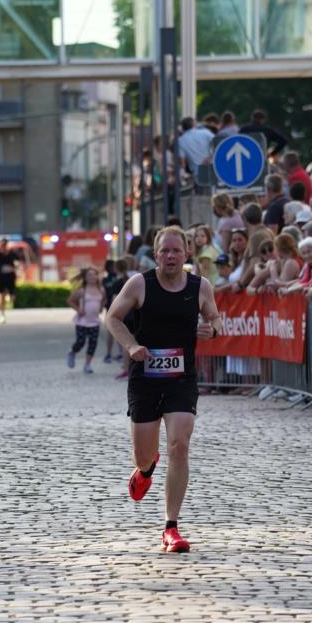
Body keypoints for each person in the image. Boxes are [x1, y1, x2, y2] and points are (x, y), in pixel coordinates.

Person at [105, 226, 222, 554]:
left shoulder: (200, 286)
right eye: (164, 251)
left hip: (181, 379)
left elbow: (216, 318)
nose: (170, 256)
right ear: (156, 255)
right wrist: (131, 346)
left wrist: (211, 329)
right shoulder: (140, 284)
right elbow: (113, 318)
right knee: (144, 455)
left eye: (176, 250)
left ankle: (171, 527)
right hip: (145, 378)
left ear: (187, 253)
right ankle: (146, 467)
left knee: (179, 446)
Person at [67, 267, 107, 373]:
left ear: (97, 277)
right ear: (85, 278)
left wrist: (101, 307)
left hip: (95, 322)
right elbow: (70, 301)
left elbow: (104, 299)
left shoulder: (101, 290)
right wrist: (78, 309)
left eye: (94, 274)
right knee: (81, 342)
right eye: (89, 275)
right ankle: (72, 352)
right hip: (82, 321)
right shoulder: (82, 291)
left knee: (93, 344)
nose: (92, 277)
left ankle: (87, 365)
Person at [0, 238, 20, 323]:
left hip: (10, 277)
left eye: (4, 245)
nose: (3, 247)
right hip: (1, 277)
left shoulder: (12, 254)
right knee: (0, 296)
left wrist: (16, 265)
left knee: (11, 295)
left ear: (7, 245)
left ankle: (9, 300)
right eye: (1, 246)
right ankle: (2, 314)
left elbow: (17, 262)